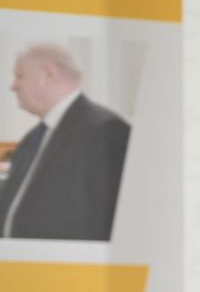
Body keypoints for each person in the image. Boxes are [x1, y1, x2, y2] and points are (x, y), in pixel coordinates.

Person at [0, 43, 131, 241]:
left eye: (20, 76)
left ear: (48, 75)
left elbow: (108, 218)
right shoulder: (31, 139)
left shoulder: (105, 130)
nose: (13, 86)